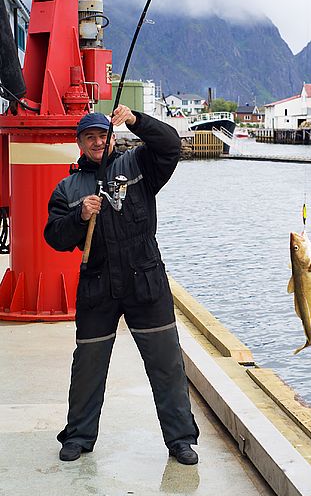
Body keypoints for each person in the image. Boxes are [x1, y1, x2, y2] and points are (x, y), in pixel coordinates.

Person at [44, 106, 199, 464]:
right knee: (88, 365)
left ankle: (180, 440)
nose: (98, 142)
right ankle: (78, 437)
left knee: (167, 364)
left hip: (146, 282)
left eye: (103, 135)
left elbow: (171, 145)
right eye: (90, 138)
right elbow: (54, 236)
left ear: (112, 137)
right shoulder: (68, 188)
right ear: (80, 143)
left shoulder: (140, 164)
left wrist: (135, 120)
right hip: (97, 288)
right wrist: (79, 215)